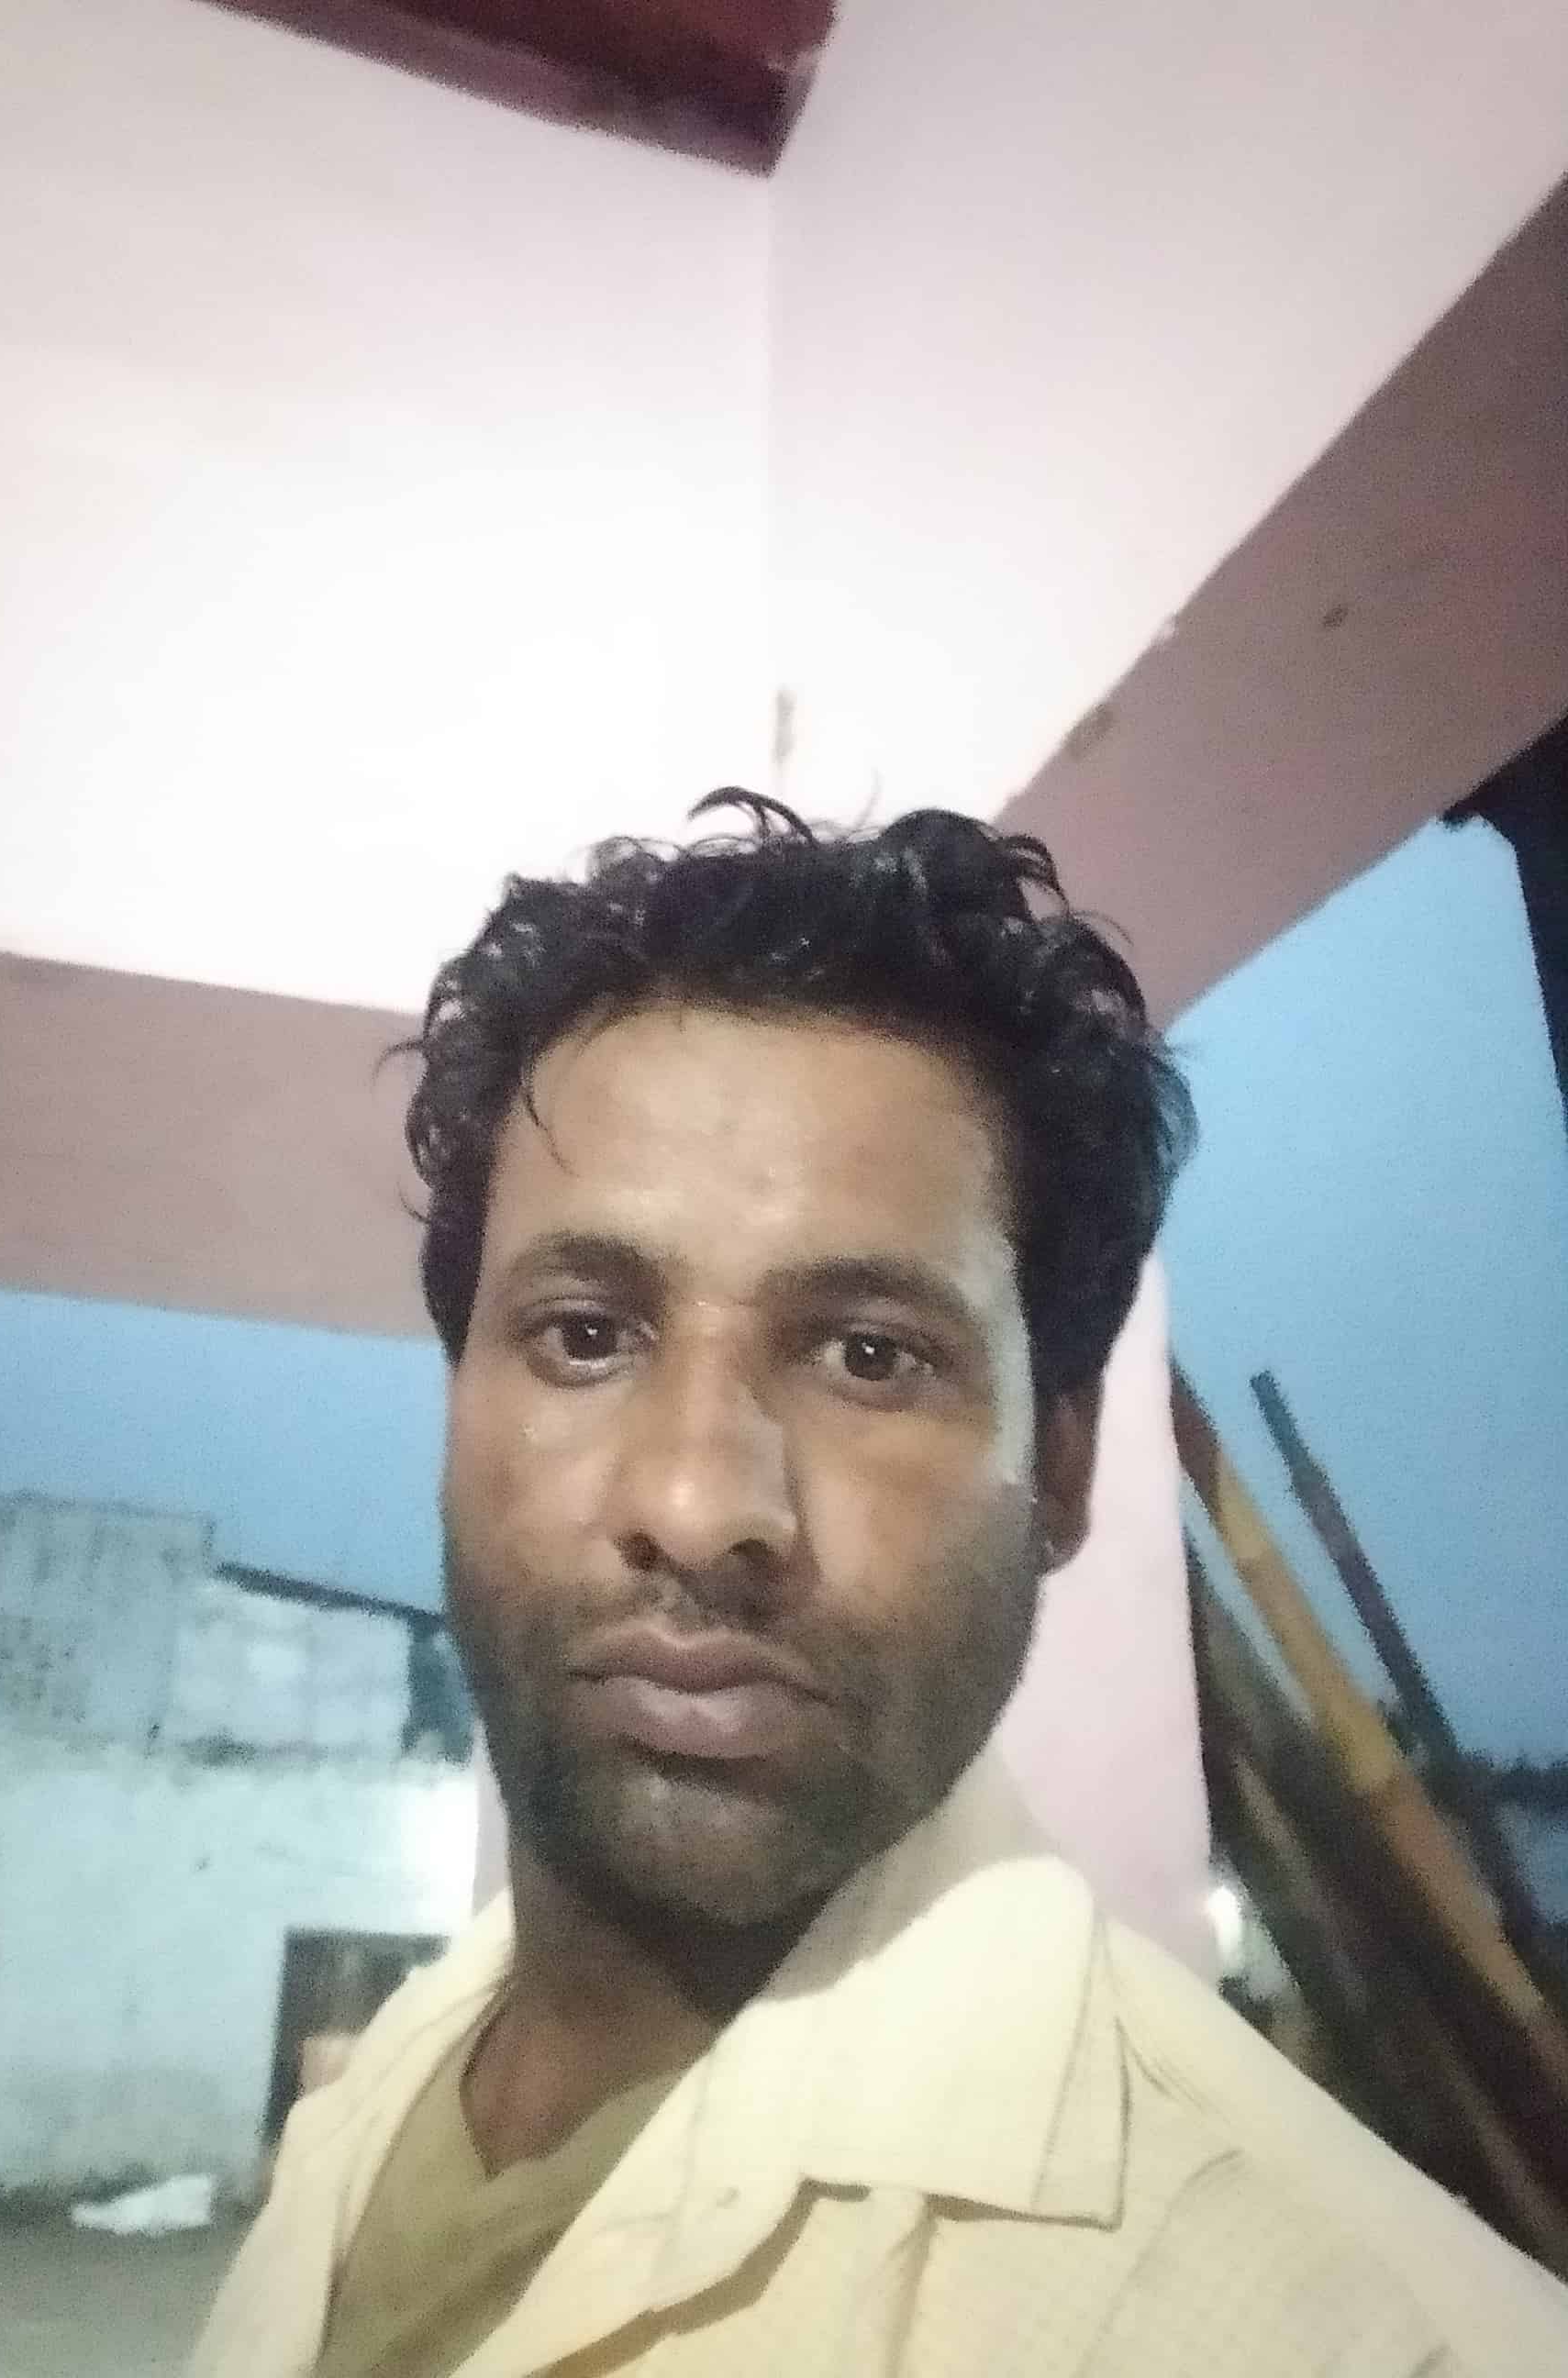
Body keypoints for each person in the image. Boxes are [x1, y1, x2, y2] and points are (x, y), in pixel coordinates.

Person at [193, 795, 1567, 2378]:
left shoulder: (1342, 2329)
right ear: (457, 1405)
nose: (699, 1506)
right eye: (584, 1334)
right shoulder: (373, 2103)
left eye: (868, 1355)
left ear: (1060, 1474)